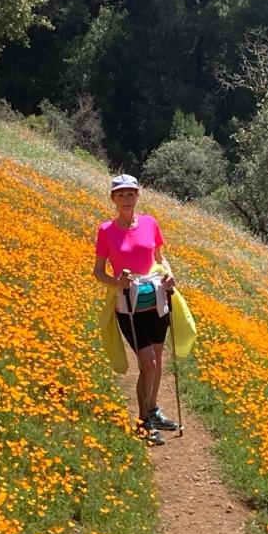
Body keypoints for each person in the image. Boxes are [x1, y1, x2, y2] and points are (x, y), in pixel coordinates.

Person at [93, 174, 180, 445]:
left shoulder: (150, 223)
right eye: (121, 195)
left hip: (156, 300)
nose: (126, 199)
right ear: (113, 199)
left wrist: (168, 275)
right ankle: (143, 421)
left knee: (157, 360)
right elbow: (98, 271)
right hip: (128, 306)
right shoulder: (106, 230)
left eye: (131, 194)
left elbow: (160, 258)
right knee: (148, 363)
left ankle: (152, 410)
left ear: (137, 196)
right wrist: (115, 281)